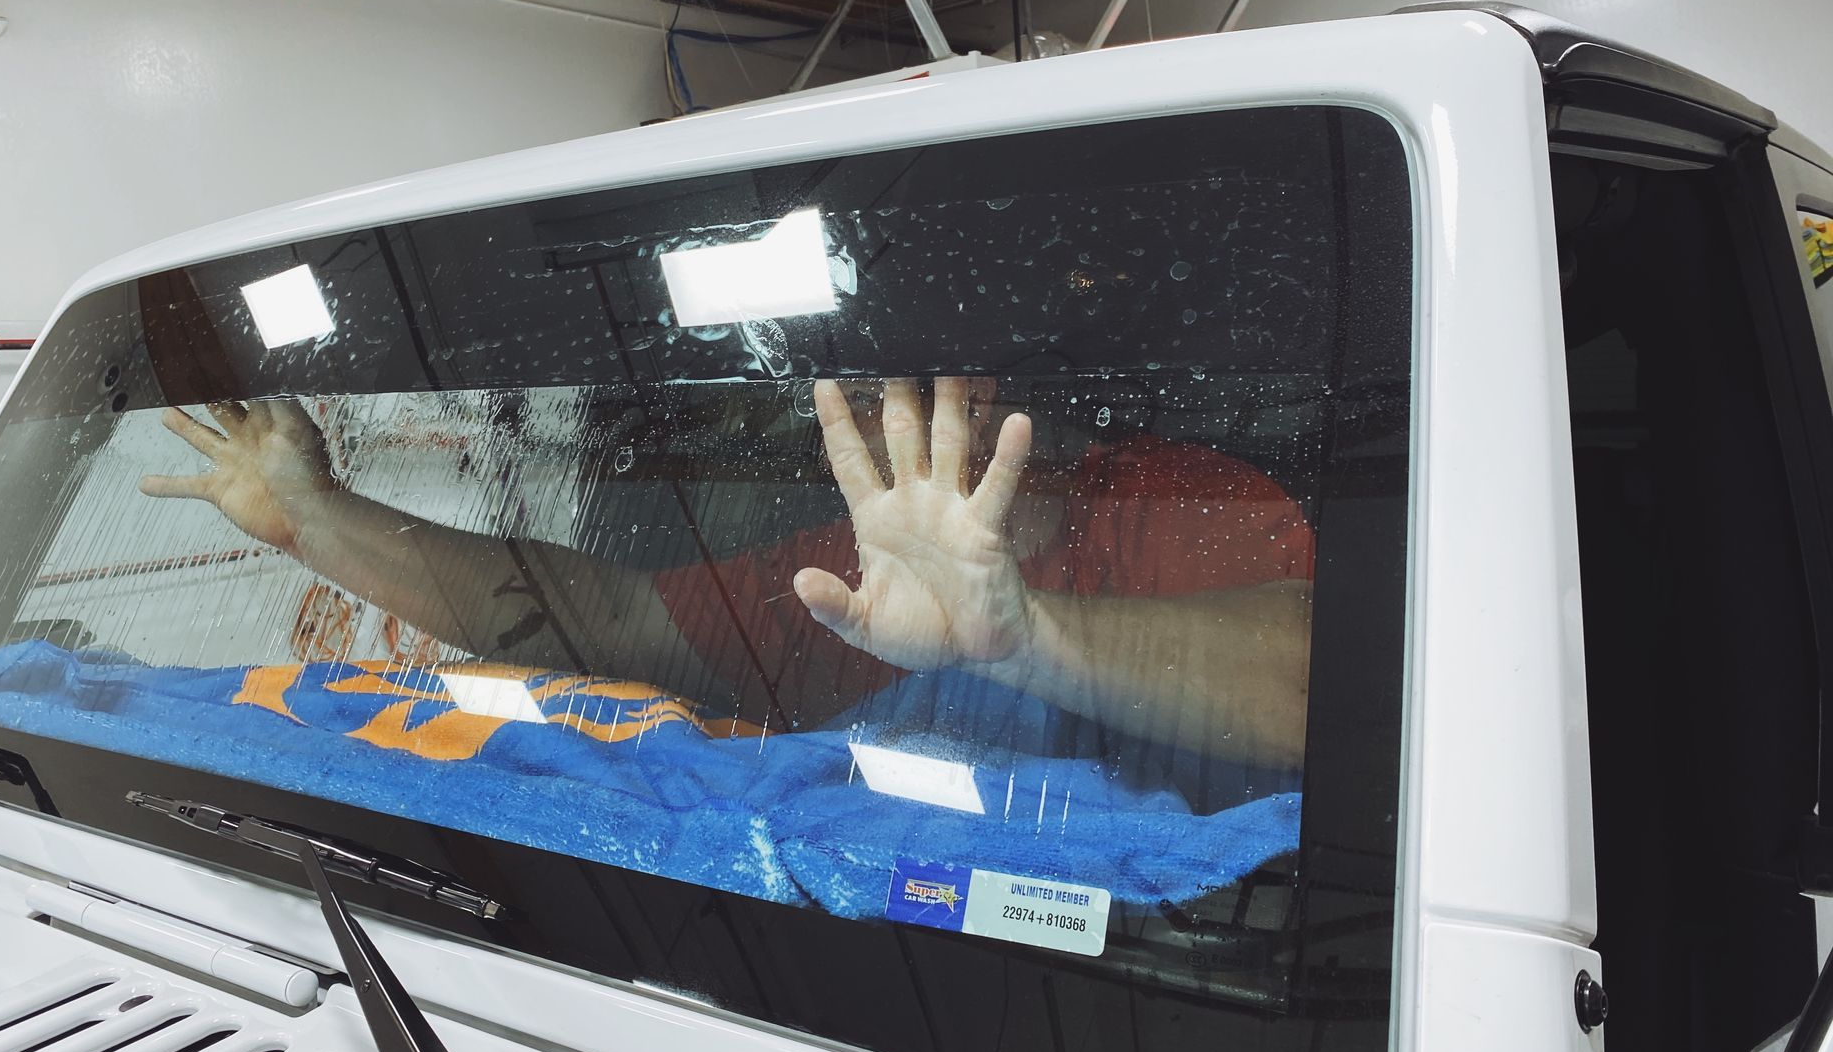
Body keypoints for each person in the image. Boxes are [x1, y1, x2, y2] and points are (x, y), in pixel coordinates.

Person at [139, 378, 1313, 768]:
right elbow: (611, 620)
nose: (898, 404)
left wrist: (1024, 638)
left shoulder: (1169, 493)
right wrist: (317, 519)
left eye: (937, 376)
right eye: (863, 385)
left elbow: (1323, 690)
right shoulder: (859, 562)